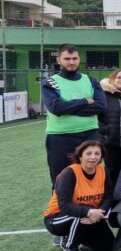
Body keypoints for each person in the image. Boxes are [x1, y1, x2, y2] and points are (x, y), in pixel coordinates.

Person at [43, 43, 106, 187]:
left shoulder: (91, 80)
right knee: (61, 178)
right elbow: (56, 107)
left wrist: (68, 107)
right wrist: (84, 101)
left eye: (75, 58)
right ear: (59, 60)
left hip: (90, 134)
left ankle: (90, 208)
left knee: (92, 175)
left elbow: (101, 106)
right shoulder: (51, 82)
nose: (72, 62)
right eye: (67, 59)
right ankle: (60, 209)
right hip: (60, 137)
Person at [44, 140, 114, 251]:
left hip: (90, 213)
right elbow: (64, 206)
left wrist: (99, 214)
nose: (93, 157)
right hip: (57, 218)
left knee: (107, 245)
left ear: (101, 156)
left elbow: (108, 197)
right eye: (88, 153)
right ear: (80, 156)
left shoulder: (103, 171)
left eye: (97, 154)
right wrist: (88, 211)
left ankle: (78, 234)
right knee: (80, 214)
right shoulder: (69, 173)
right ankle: (69, 246)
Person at [98, 69, 121, 187]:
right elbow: (97, 114)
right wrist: (105, 130)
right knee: (111, 169)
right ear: (112, 79)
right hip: (111, 138)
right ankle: (109, 196)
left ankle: (120, 193)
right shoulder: (104, 94)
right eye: (119, 77)